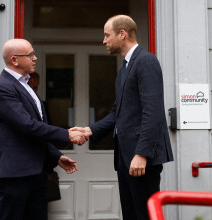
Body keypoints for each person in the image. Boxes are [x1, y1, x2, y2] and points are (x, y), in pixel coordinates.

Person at [70, 15, 173, 220]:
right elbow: (118, 113)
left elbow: (152, 112)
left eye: (107, 35)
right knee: (131, 215)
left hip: (140, 160)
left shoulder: (146, 61)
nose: (104, 40)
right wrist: (90, 130)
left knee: (144, 215)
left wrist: (142, 153)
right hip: (126, 159)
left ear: (122, 34)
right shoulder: (124, 68)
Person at [0, 38, 87, 220]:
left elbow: (36, 131)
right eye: (30, 55)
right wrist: (67, 135)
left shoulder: (26, 85)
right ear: (14, 59)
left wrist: (56, 155)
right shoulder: (2, 88)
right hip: (16, 173)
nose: (35, 58)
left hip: (37, 172)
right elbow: (27, 126)